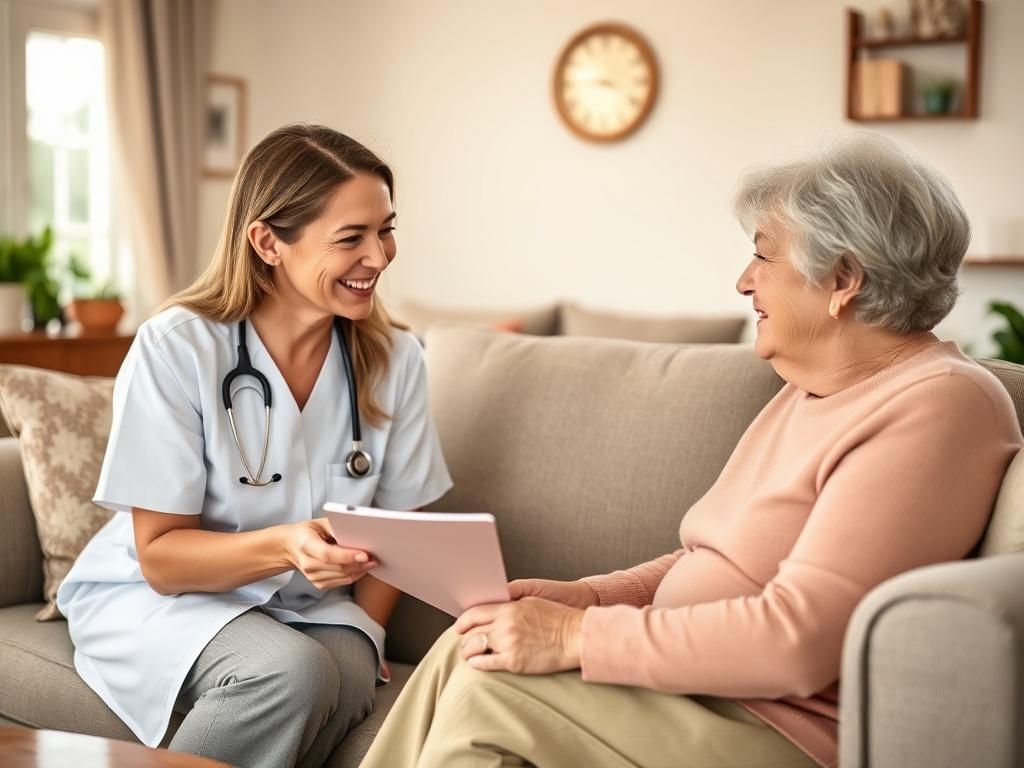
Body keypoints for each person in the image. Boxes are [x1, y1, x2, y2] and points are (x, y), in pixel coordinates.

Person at [360, 135, 1023, 768]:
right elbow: (713, 558)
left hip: (781, 726)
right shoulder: (810, 389)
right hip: (698, 694)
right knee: (465, 644)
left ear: (843, 277)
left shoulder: (939, 404)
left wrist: (571, 638)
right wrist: (583, 599)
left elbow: (799, 642)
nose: (742, 281)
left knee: (492, 694)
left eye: (763, 256)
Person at [56, 124, 453, 768]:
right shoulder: (178, 348)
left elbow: (401, 520)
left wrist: (371, 630)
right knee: (290, 674)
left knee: (345, 675)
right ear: (267, 241)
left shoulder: (394, 358)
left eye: (385, 229)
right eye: (351, 238)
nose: (379, 257)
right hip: (166, 598)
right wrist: (285, 545)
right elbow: (161, 559)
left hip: (314, 605)